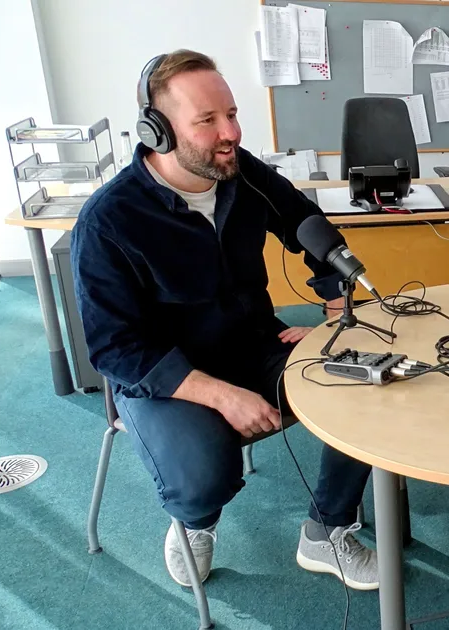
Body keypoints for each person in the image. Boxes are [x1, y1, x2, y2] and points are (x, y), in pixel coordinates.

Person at [72, 50, 377, 591]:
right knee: (206, 474)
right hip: (164, 379)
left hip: (254, 344)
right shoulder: (108, 221)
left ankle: (326, 530)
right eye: (207, 120)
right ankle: (195, 522)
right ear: (158, 131)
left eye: (232, 114)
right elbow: (114, 348)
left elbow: (307, 224)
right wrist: (221, 396)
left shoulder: (242, 173)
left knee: (363, 382)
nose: (230, 132)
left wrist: (336, 314)